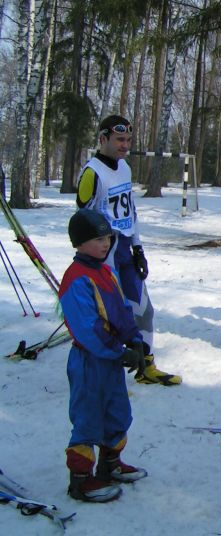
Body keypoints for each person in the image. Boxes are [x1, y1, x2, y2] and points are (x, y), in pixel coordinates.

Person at [77, 115, 181, 386]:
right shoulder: (92, 173)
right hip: (104, 253)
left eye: (128, 140)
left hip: (125, 248)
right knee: (109, 316)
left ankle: (147, 365)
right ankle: (105, 374)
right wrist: (92, 261)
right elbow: (82, 223)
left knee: (144, 310)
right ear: (103, 139)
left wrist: (138, 248)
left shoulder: (124, 168)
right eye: (119, 140)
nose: (124, 145)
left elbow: (131, 211)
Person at [60, 208, 148, 503]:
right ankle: (81, 479)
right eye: (98, 239)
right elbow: (88, 328)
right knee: (88, 418)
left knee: (117, 412)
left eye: (108, 238)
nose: (106, 244)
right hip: (89, 361)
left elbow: (122, 311)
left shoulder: (106, 271)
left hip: (110, 361)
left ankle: (110, 464)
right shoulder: (76, 279)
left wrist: (134, 340)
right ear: (80, 242)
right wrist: (117, 350)